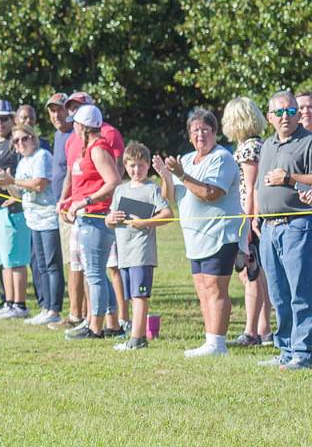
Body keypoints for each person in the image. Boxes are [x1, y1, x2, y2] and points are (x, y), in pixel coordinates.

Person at [153, 107, 244, 358]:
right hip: (194, 236)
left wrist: (181, 174)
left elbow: (210, 193)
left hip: (220, 233)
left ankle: (218, 343)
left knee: (215, 287)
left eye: (205, 129)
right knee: (202, 286)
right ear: (189, 135)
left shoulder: (222, 158)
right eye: (195, 130)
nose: (200, 134)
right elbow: (169, 197)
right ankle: (209, 340)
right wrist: (166, 177)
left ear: (215, 132)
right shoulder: (185, 158)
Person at [255, 91, 312, 370]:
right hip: (268, 228)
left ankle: (304, 352)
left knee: (300, 292)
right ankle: (286, 350)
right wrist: (256, 216)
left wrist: (289, 179)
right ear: (270, 118)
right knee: (278, 295)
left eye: (291, 111)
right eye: (280, 112)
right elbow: (258, 186)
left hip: (297, 226)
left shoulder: (308, 142)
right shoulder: (267, 145)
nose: (286, 117)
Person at [61, 92, 126, 334]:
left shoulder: (98, 149)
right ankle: (112, 323)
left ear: (84, 127)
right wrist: (68, 201)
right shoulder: (87, 148)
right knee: (96, 272)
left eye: (76, 124)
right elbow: (87, 183)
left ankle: (94, 326)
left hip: (96, 218)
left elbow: (113, 182)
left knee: (95, 274)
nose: (74, 128)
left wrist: (85, 201)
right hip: (86, 216)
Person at [106, 142, 172, 349]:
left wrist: (144, 223)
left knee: (140, 295)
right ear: (125, 165)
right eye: (132, 165)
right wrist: (111, 218)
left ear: (147, 166)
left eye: (141, 166)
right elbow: (109, 219)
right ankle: (136, 333)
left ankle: (137, 339)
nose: (136, 170)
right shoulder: (120, 190)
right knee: (131, 296)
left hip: (141, 252)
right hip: (123, 252)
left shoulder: (151, 189)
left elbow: (168, 214)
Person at [0, 122, 62, 325]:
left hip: (49, 217)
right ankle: (45, 307)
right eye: (16, 141)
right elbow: (20, 193)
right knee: (41, 266)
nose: (21, 143)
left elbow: (40, 184)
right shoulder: (23, 162)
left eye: (25, 138)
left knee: (52, 266)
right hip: (33, 220)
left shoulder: (42, 156)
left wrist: (12, 181)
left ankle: (54, 309)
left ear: (33, 138)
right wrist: (5, 183)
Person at [222, 97, 272, 348]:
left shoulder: (249, 148)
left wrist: (248, 221)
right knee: (256, 273)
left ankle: (254, 330)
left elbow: (250, 188)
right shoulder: (257, 145)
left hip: (247, 217)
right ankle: (263, 329)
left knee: (250, 273)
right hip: (249, 216)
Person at [0, 100, 30, 318]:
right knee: (3, 259)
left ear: (12, 120)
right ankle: (8, 301)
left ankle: (19, 304)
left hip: (12, 210)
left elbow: (21, 177)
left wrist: (13, 192)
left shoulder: (15, 144)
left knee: (15, 258)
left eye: (3, 119)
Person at [45, 91, 84, 326]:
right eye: (52, 110)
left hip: (77, 208)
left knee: (79, 264)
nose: (56, 114)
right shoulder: (59, 136)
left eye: (60, 109)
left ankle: (80, 315)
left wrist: (67, 200)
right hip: (63, 208)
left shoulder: (75, 135)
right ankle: (77, 313)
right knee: (71, 263)